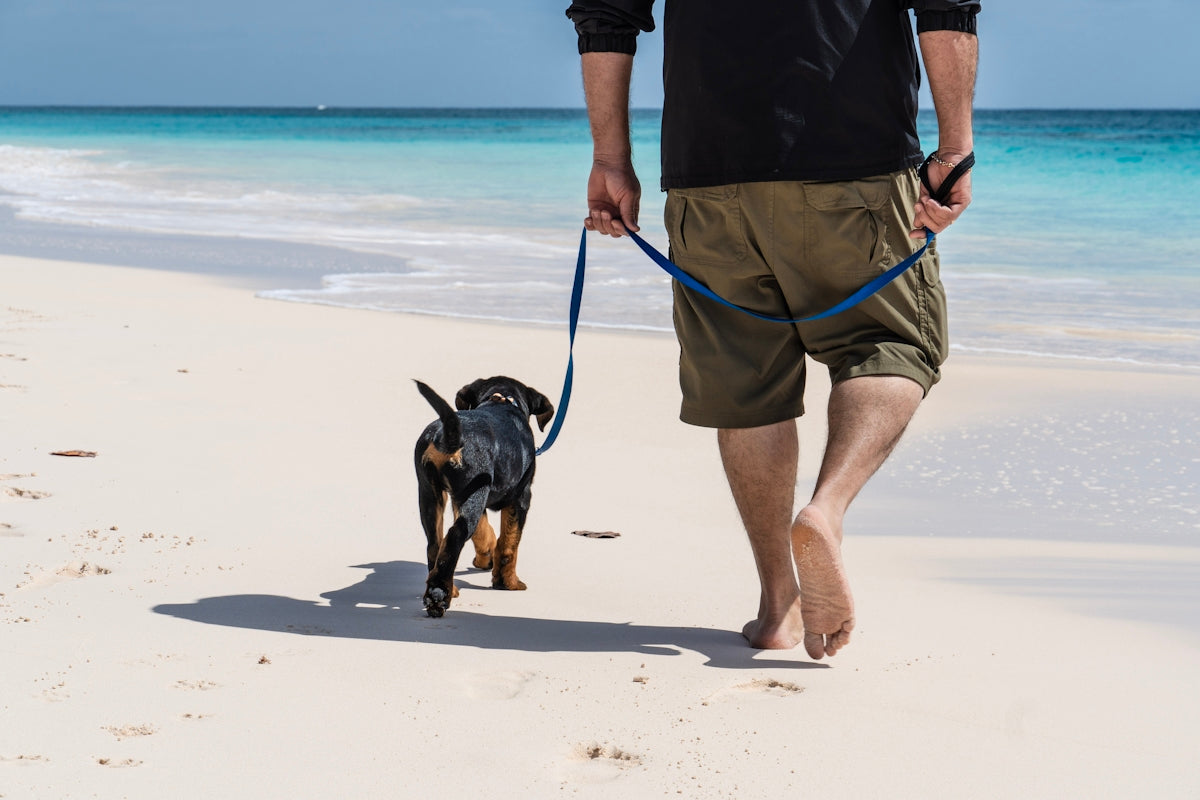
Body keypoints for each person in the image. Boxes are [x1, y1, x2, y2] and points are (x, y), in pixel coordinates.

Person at [565, 1, 979, 659]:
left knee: (745, 383)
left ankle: (776, 607)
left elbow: (605, 14)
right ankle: (827, 510)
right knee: (892, 344)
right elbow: (945, 6)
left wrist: (611, 158)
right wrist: (955, 146)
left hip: (706, 169)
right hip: (856, 158)